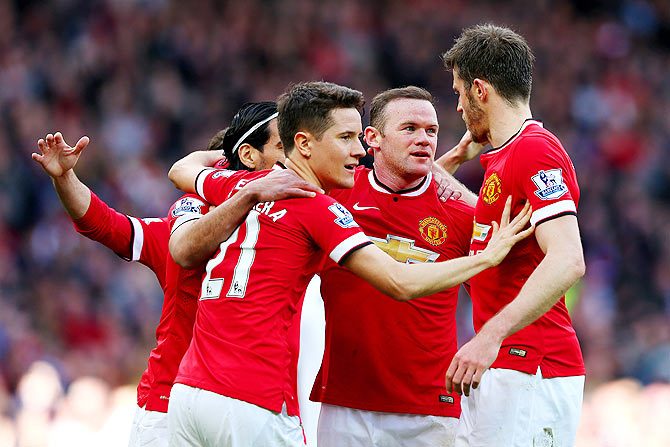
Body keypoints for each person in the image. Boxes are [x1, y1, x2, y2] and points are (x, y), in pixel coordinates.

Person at [166, 81, 533, 446]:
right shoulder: (328, 200)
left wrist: (248, 185)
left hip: (193, 390)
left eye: (432, 131)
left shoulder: (253, 185)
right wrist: (484, 257)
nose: (358, 151)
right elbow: (398, 281)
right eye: (347, 138)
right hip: (283, 399)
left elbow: (183, 171)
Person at [31, 102, 316, 447]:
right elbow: (106, 224)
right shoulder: (181, 227)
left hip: (260, 405)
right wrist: (64, 177)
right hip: (170, 407)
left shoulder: (298, 228)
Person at [441, 24, 586, 446]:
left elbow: (567, 258)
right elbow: (429, 192)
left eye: (458, 93)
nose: (458, 108)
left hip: (533, 365)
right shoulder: (502, 159)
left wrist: (489, 335)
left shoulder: (535, 149)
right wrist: (451, 159)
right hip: (508, 364)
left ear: (480, 90)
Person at [311, 86, 475, 447]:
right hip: (345, 403)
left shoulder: (460, 214)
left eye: (431, 131)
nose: (423, 140)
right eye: (409, 129)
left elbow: (501, 287)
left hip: (431, 410)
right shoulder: (332, 196)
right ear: (372, 138)